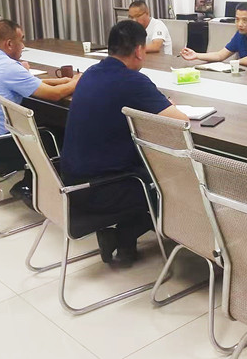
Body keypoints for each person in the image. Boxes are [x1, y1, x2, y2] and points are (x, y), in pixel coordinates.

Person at [61, 20, 188, 265]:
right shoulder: (133, 81)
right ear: (139, 50)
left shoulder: (90, 73)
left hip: (71, 182)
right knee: (172, 179)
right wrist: (163, 104)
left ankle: (124, 241)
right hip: (104, 190)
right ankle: (125, 235)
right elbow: (181, 122)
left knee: (143, 166)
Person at [0, 19, 80, 202]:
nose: (24, 45)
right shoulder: (8, 67)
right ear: (9, 44)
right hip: (5, 144)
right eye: (21, 40)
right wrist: (76, 82)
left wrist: (62, 81)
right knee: (62, 129)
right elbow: (54, 95)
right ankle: (33, 186)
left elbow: (26, 83)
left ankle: (35, 182)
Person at [180, 1, 247, 70]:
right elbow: (220, 55)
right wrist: (196, 55)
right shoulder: (240, 34)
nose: (240, 24)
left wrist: (230, 63)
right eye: (237, 19)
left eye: (245, 20)